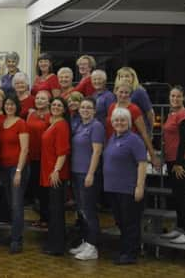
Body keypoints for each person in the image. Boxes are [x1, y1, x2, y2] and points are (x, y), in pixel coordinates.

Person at [103, 107, 147, 265]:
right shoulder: (113, 138)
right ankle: (125, 250)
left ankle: (130, 254)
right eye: (116, 120)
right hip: (113, 188)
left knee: (130, 223)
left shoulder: (134, 139)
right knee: (121, 222)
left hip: (128, 189)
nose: (119, 123)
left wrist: (139, 187)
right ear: (112, 122)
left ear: (128, 123)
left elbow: (142, 163)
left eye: (122, 120)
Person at [70, 97, 104, 260]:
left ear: (94, 110)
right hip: (76, 172)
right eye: (83, 107)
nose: (85, 110)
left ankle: (93, 246)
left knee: (89, 210)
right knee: (81, 210)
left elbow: (97, 152)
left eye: (89, 108)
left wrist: (90, 173)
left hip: (87, 173)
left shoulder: (96, 126)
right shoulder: (79, 125)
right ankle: (86, 241)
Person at [0, 95, 30, 254]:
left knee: (17, 205)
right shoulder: (2, 122)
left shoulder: (21, 123)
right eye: (7, 104)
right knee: (11, 204)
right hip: (4, 168)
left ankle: (17, 240)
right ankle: (13, 234)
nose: (9, 107)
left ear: (17, 106)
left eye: (12, 104)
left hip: (17, 168)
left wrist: (18, 171)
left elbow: (24, 149)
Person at [160, 86, 185, 244]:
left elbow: (184, 141)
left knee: (181, 196)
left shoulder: (183, 115)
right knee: (175, 196)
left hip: (181, 160)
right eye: (172, 96)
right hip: (171, 159)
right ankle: (180, 228)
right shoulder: (171, 113)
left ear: (184, 98)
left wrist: (179, 164)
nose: (175, 99)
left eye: (178, 96)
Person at [40, 97, 71, 256]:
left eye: (59, 105)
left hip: (56, 174)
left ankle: (57, 246)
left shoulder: (62, 126)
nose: (56, 107)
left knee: (57, 211)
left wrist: (56, 170)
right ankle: (53, 242)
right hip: (49, 171)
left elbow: (63, 151)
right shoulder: (53, 123)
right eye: (54, 105)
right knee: (53, 210)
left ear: (64, 109)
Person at [106, 82, 159, 169]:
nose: (123, 95)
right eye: (121, 92)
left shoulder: (134, 109)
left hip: (128, 149)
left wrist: (152, 155)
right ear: (116, 92)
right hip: (113, 147)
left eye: (126, 93)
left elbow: (144, 133)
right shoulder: (111, 107)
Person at [26, 90, 51, 228]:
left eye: (43, 98)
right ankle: (42, 217)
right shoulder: (31, 114)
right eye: (38, 98)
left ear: (48, 101)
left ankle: (47, 218)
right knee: (37, 189)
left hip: (46, 158)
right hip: (32, 156)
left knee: (45, 190)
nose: (40, 101)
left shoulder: (51, 116)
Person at [116, 67, 156, 133]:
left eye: (127, 76)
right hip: (126, 129)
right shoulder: (117, 91)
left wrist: (150, 130)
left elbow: (150, 112)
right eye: (121, 76)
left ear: (133, 78)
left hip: (140, 130)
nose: (124, 79)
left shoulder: (139, 91)